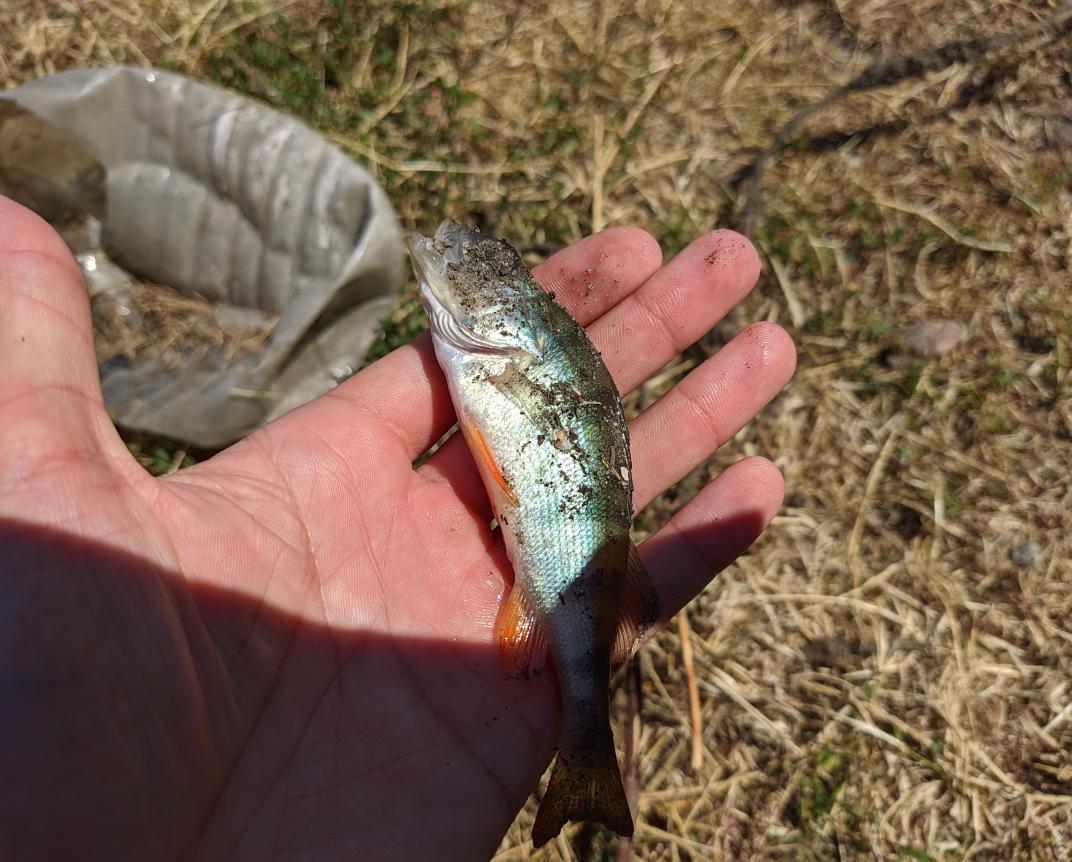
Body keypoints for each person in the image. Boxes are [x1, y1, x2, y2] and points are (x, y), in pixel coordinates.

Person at [0, 194, 795, 860]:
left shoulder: (499, 361)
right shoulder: (491, 356)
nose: (448, 260)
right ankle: (586, 749)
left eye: (476, 274)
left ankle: (586, 754)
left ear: (508, 326)